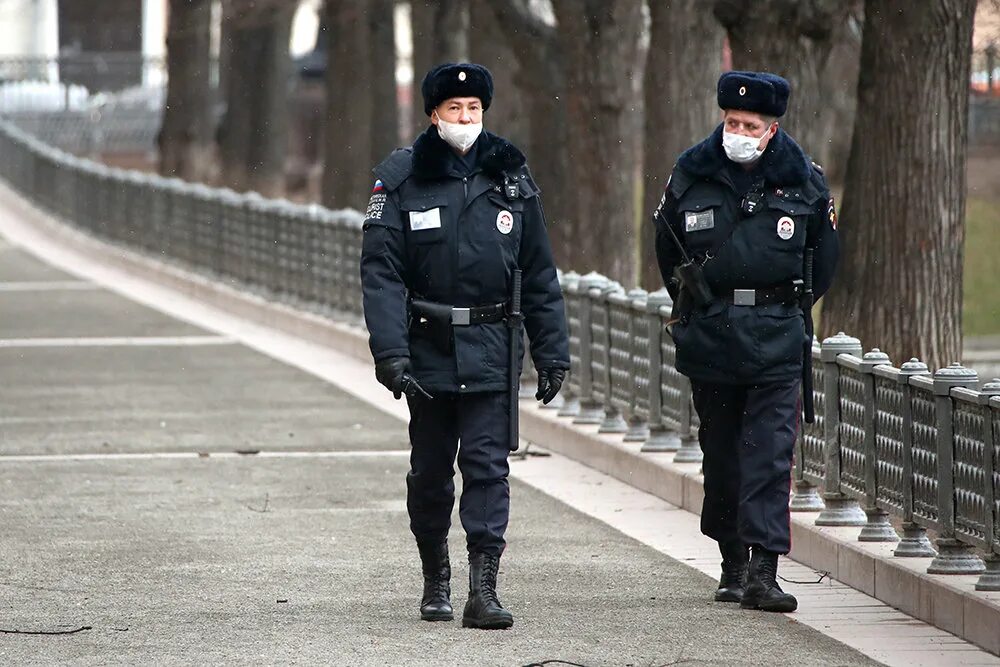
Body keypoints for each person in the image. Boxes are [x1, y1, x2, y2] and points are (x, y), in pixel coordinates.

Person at [359, 63, 570, 629]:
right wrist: (391, 353)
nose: (465, 118)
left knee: (487, 468)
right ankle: (436, 577)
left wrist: (553, 352)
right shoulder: (401, 180)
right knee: (430, 474)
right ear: (434, 114)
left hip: (492, 346)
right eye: (454, 109)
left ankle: (484, 589)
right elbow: (381, 274)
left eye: (474, 109)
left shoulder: (512, 177)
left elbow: (540, 272)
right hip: (427, 350)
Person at [652, 71, 839, 613]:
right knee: (725, 456)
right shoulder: (691, 175)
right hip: (711, 337)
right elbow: (667, 248)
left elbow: (823, 261)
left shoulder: (805, 182)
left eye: (750, 124)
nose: (738, 131)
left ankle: (764, 568)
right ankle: (732, 557)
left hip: (778, 337)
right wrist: (697, 306)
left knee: (770, 456)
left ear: (771, 128)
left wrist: (781, 307)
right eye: (731, 121)